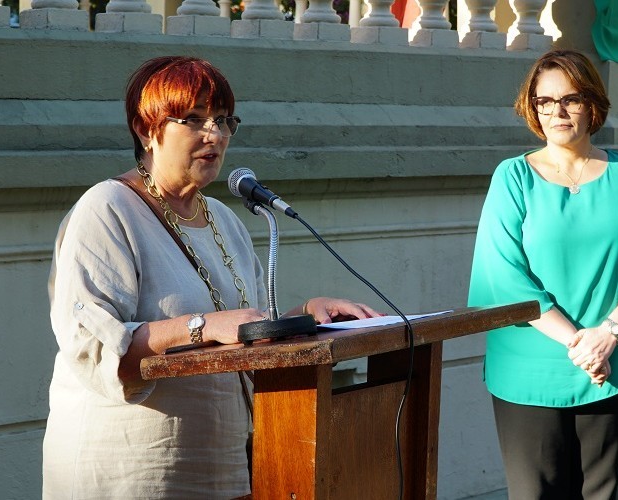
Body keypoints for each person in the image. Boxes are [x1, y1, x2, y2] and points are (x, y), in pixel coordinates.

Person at [43, 56, 381, 499]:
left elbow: (244, 332)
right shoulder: (106, 209)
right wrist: (199, 327)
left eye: (223, 120)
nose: (215, 134)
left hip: (228, 468)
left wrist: (306, 316)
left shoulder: (223, 218)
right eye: (195, 119)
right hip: (134, 474)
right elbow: (94, 350)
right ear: (147, 130)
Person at [468, 49, 618, 500]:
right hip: (531, 368)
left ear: (592, 103)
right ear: (531, 107)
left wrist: (609, 334)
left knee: (601, 493)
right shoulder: (513, 177)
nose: (557, 111)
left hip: (612, 364)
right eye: (544, 101)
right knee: (536, 494)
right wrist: (582, 345)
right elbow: (504, 276)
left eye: (570, 99)